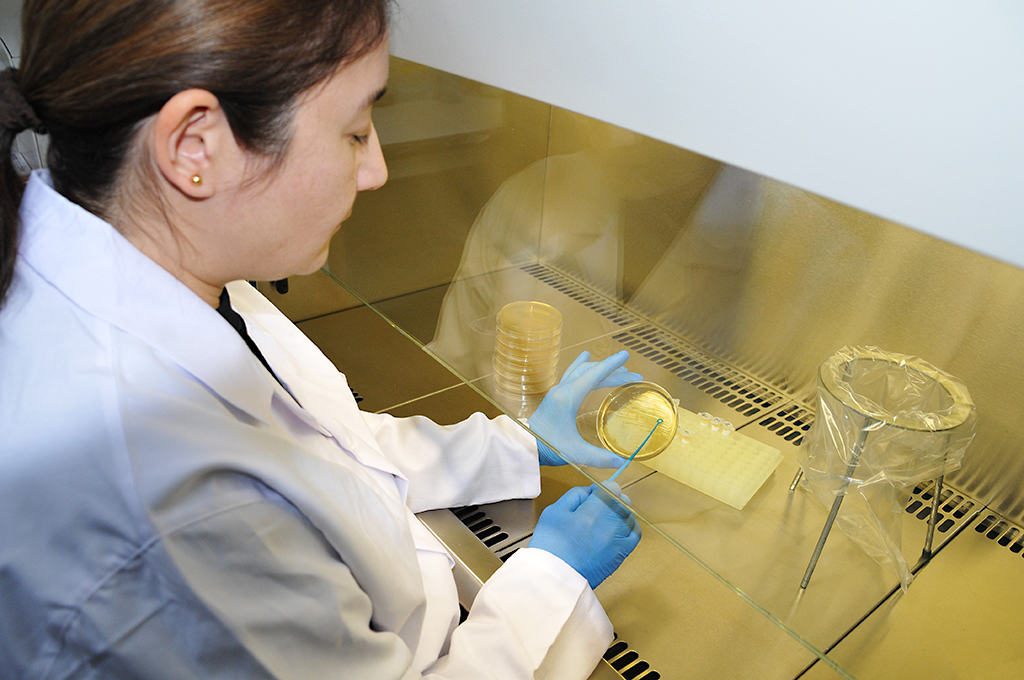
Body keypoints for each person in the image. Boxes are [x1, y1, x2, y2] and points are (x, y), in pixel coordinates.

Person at [0, 1, 643, 678]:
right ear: (195, 147)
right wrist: (552, 580)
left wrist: (516, 446)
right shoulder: (175, 502)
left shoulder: (164, 274)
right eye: (356, 131)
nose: (376, 171)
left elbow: (323, 449)